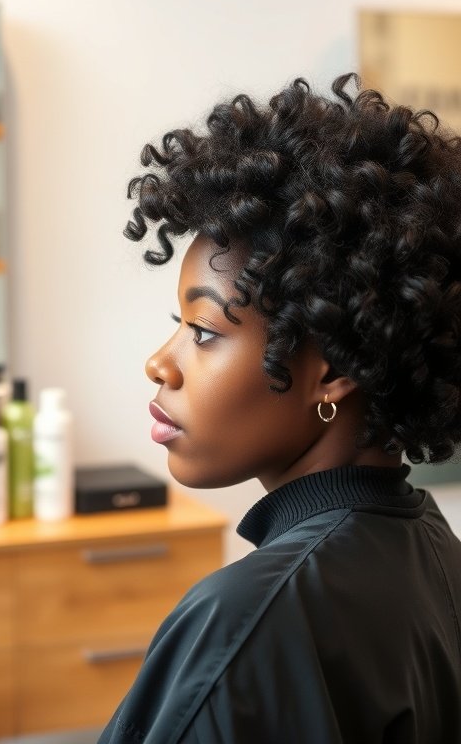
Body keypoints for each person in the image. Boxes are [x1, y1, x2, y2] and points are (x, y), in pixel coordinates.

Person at [98, 73, 461, 744]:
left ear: (331, 373)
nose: (160, 363)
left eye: (204, 332)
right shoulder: (436, 552)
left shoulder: (246, 621)